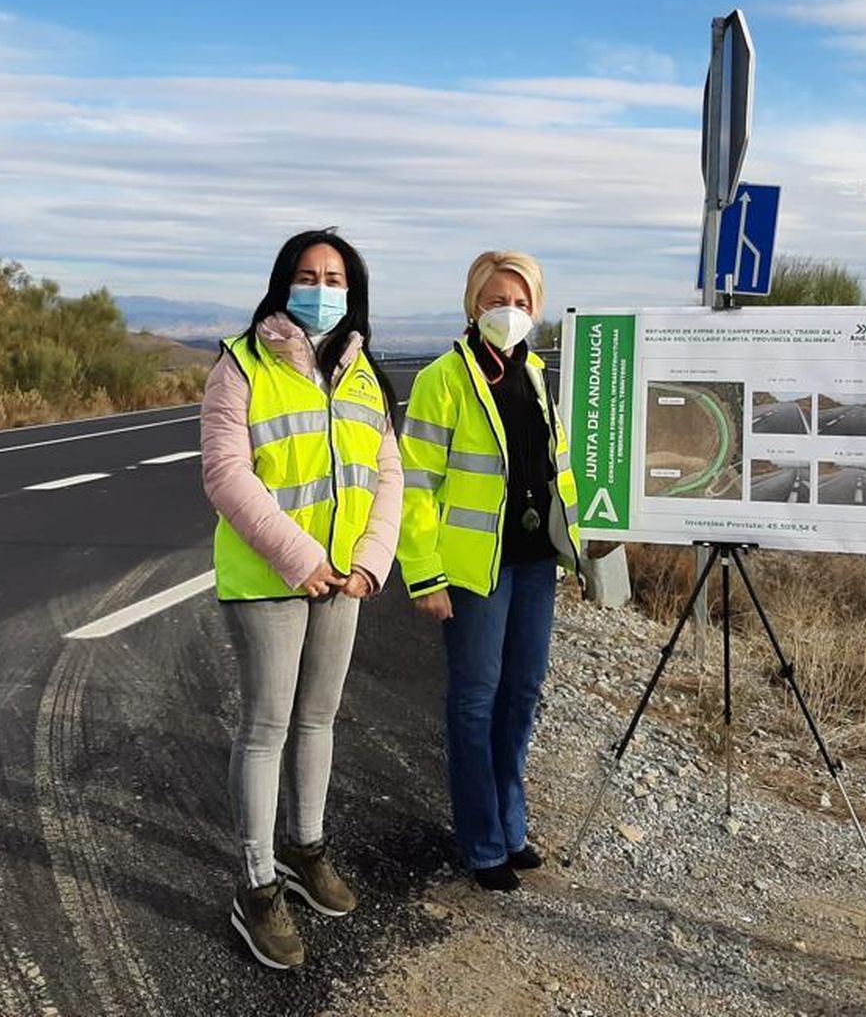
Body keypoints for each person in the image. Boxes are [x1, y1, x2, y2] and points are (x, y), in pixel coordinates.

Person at [199, 229, 403, 971]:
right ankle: (256, 889)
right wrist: (300, 558)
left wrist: (370, 562)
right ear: (285, 282)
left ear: (354, 291)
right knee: (266, 727)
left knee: (318, 720)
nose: (324, 288)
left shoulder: (360, 371)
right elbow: (226, 475)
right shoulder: (241, 365)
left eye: (337, 278)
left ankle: (306, 849)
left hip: (344, 579)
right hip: (267, 580)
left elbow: (388, 475)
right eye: (310, 275)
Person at [397, 250, 582, 891]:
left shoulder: (534, 372)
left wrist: (573, 549)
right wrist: (424, 574)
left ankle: (511, 826)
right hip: (475, 571)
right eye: (497, 299)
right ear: (473, 304)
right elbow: (414, 484)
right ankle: (481, 845)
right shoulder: (442, 379)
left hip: (534, 566)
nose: (510, 311)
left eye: (523, 301)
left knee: (522, 695)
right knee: (476, 702)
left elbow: (555, 471)